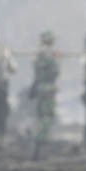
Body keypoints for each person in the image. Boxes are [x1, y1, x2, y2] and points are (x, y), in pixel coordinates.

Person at [29, 31, 60, 160]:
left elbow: (36, 75)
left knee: (41, 116)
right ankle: (41, 142)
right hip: (48, 88)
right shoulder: (50, 55)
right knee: (47, 117)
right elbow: (55, 72)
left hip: (40, 88)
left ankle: (39, 143)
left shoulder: (38, 55)